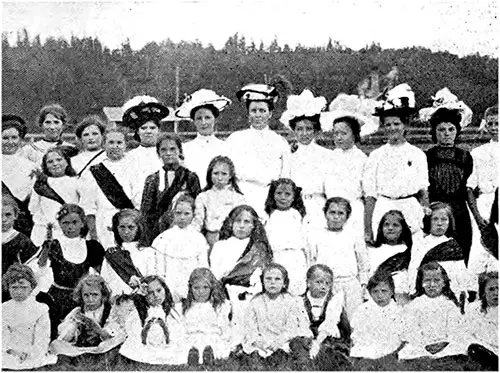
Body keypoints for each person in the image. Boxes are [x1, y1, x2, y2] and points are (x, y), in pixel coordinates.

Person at [363, 84, 430, 242]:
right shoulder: (376, 155)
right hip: (384, 208)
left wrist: (425, 219)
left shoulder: (417, 154)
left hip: (410, 209)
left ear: (405, 125)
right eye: (388, 124)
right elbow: (370, 196)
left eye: (396, 124)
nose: (392, 128)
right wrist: (367, 229)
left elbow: (423, 191)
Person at [210, 205, 273, 345]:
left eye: (247, 222)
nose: (242, 226)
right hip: (226, 292)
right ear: (230, 223)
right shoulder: (220, 246)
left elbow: (262, 275)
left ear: (254, 226)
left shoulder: (259, 248)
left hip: (251, 293)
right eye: (238, 221)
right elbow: (216, 274)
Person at [39, 204, 105, 339]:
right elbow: (41, 266)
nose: (70, 227)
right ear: (60, 225)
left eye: (75, 222)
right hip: (58, 299)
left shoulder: (92, 246)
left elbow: (102, 273)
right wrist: (46, 248)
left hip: (82, 299)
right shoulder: (54, 245)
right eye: (65, 223)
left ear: (82, 223)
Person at [226, 83, 291, 217]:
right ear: (248, 114)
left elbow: (285, 175)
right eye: (254, 110)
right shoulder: (235, 139)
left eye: (262, 111)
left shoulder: (280, 142)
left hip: (269, 198)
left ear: (270, 113)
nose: (258, 115)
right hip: (240, 196)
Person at [320, 93, 379, 239]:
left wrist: (368, 227)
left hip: (354, 213)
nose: (339, 137)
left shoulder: (363, 160)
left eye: (344, 133)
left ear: (354, 134)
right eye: (336, 133)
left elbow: (369, 195)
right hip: (331, 212)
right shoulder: (329, 157)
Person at [308, 197, 369, 320]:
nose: (336, 217)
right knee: (328, 319)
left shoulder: (354, 235)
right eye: (332, 212)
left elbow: (363, 262)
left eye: (341, 213)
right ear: (325, 214)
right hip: (326, 284)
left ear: (347, 216)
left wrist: (363, 283)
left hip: (350, 284)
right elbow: (312, 260)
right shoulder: (316, 235)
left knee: (354, 318)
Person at [426, 107, 474, 264]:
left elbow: (469, 186)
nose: (446, 133)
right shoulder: (428, 156)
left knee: (461, 253)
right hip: (435, 211)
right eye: (441, 129)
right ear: (434, 132)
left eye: (451, 129)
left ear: (457, 132)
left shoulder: (465, 157)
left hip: (459, 212)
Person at [80, 128, 142, 248]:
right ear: (104, 144)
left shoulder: (134, 167)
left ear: (125, 145)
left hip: (128, 224)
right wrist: (93, 233)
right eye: (111, 142)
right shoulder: (94, 170)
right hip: (103, 223)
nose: (115, 146)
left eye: (119, 143)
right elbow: (88, 206)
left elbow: (138, 199)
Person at [279, 89, 330, 231]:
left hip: (319, 206)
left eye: (309, 129)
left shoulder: (326, 155)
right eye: (300, 129)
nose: (304, 133)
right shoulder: (288, 154)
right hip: (295, 206)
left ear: (315, 130)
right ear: (294, 130)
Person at [241, 264, 312, 364]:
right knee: (254, 353)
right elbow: (251, 326)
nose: (272, 282)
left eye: (277, 279)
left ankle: (280, 357)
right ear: (263, 282)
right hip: (262, 340)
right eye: (268, 279)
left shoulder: (290, 301)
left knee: (291, 348)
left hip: (282, 340)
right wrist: (257, 341)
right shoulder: (256, 302)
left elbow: (291, 327)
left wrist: (279, 342)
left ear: (284, 283)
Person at [140, 133, 201, 246]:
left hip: (185, 232)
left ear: (180, 151)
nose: (168, 153)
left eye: (173, 149)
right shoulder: (152, 179)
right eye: (163, 150)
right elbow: (145, 213)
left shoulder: (190, 177)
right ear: (158, 153)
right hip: (158, 234)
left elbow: (197, 209)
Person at [399, 261, 468, 360]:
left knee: (459, 348)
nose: (432, 284)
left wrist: (444, 343)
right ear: (421, 282)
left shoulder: (449, 304)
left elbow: (455, 330)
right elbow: (411, 329)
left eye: (436, 280)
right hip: (422, 345)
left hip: (445, 344)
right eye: (427, 280)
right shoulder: (416, 304)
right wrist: (424, 345)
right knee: (407, 352)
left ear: (444, 283)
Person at [151, 194, 209, 302]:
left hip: (192, 289)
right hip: (170, 287)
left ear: (193, 214)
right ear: (173, 213)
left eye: (187, 213)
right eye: (178, 213)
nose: (182, 217)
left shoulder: (198, 239)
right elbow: (159, 270)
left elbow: (203, 269)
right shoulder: (164, 238)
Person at [408, 202, 469, 304]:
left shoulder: (453, 245)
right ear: (428, 221)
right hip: (425, 293)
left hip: (449, 294)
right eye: (435, 219)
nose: (440, 223)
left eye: (444, 219)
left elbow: (460, 273)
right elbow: (414, 268)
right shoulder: (420, 243)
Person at [118, 275, 186, 365]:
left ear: (165, 289)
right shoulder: (140, 312)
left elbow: (175, 329)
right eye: (150, 293)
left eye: (159, 290)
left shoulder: (167, 310)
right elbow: (134, 332)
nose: (156, 295)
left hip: (163, 341)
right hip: (145, 343)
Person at [2, 263, 57, 370]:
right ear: (8, 287)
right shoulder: (3, 309)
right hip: (9, 352)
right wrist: (12, 351)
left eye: (23, 287)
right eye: (14, 287)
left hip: (33, 353)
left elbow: (42, 338)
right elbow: (3, 336)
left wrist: (31, 354)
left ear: (32, 287)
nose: (18, 292)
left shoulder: (40, 309)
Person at [297, 264, 352, 370]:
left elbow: (330, 324)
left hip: (331, 340)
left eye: (327, 283)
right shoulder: (300, 301)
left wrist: (317, 343)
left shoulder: (334, 301)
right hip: (308, 339)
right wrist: (310, 342)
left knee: (328, 354)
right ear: (308, 283)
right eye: (318, 282)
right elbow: (300, 325)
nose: (323, 286)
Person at [175, 89, 231, 189]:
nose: (203, 122)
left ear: (215, 119)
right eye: (199, 118)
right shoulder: (185, 148)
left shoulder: (226, 147)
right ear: (194, 121)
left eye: (207, 117)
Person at [178, 268, 233, 366]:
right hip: (191, 338)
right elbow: (181, 328)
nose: (201, 291)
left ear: (212, 288)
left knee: (213, 347)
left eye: (205, 287)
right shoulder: (185, 306)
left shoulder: (219, 306)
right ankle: (193, 358)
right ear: (190, 288)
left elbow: (224, 327)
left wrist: (226, 340)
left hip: (212, 338)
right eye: (196, 288)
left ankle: (209, 356)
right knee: (187, 349)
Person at [467, 106, 498, 276]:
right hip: (485, 204)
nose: (494, 128)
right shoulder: (478, 153)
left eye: (498, 123)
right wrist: (477, 216)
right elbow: (470, 187)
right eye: (491, 123)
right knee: (481, 247)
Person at [28, 147, 82, 246]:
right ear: (45, 166)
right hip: (43, 231)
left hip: (68, 229)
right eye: (50, 161)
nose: (55, 164)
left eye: (59, 160)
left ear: (67, 162)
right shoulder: (41, 184)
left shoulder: (76, 181)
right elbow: (33, 208)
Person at [264, 178, 308, 295]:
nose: (283, 197)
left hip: (294, 256)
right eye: (279, 193)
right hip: (276, 255)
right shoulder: (269, 215)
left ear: (294, 197)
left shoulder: (297, 215)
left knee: (295, 288)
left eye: (287, 194)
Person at [192, 155, 246, 249]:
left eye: (224, 174)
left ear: (230, 176)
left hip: (231, 240)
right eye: (216, 173)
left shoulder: (238, 198)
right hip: (210, 239)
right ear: (210, 174)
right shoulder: (203, 197)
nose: (219, 178)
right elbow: (198, 222)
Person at [121, 95, 169, 199]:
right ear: (138, 131)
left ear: (158, 130)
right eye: (143, 128)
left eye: (152, 128)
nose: (148, 132)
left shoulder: (167, 154)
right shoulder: (129, 157)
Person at [350, 272, 403, 366]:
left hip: (390, 349)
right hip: (367, 349)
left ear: (391, 292)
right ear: (370, 293)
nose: (380, 295)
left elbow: (400, 334)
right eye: (375, 291)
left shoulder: (398, 311)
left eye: (384, 291)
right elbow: (357, 334)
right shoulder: (363, 310)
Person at [100, 209, 157, 295]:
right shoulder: (112, 253)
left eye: (131, 227)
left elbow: (153, 279)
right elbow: (105, 280)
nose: (126, 232)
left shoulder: (148, 252)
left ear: (139, 228)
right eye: (122, 227)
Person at [2, 114, 37, 236]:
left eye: (14, 137)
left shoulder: (30, 166)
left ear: (20, 139)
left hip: (21, 224)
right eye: (5, 138)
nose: (10, 142)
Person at [369, 210, 413, 302]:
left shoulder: (408, 251)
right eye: (386, 224)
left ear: (403, 228)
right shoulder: (372, 250)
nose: (390, 228)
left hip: (401, 297)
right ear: (381, 228)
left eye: (395, 225)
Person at [2, 195, 38, 302]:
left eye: (8, 215)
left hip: (12, 293)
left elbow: (31, 269)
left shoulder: (22, 240)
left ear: (15, 215)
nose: (3, 219)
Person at [465, 271, 498, 370]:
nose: (496, 293)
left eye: (499, 288)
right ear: (483, 292)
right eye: (491, 289)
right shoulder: (473, 309)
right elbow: (468, 333)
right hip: (482, 350)